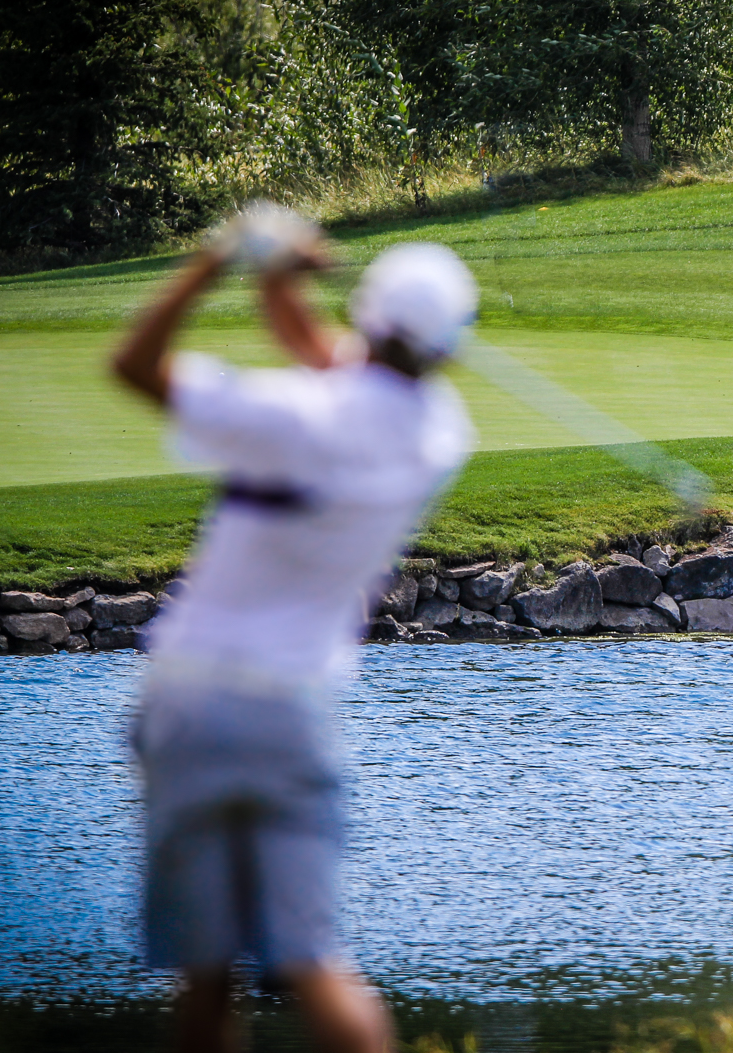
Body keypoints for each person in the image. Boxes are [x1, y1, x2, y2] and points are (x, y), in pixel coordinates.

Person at [112, 203, 477, 1053]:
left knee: (203, 971)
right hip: (295, 715)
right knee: (316, 959)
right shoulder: (440, 436)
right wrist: (278, 279)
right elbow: (338, 366)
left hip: (192, 701)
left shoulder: (289, 415)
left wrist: (219, 258)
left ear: (371, 319)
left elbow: (134, 366)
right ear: (446, 347)